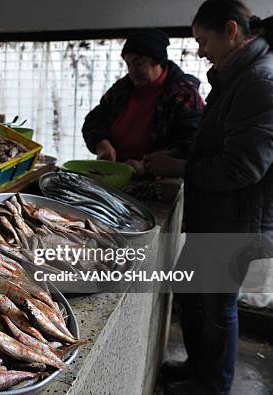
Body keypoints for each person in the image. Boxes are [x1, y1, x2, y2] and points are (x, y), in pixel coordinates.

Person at [151, 1, 273, 394]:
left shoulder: (259, 81)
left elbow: (243, 167)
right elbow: (219, 141)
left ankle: (213, 385)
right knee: (190, 291)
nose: (200, 50)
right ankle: (198, 369)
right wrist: (183, 156)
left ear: (231, 30)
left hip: (238, 220)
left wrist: (181, 169)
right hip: (218, 214)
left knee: (218, 306)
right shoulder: (235, 74)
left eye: (204, 40)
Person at [82, 28, 204, 175]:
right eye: (128, 64)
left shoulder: (184, 94)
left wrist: (144, 166)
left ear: (158, 61)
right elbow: (94, 121)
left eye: (138, 63)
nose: (132, 71)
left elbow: (191, 142)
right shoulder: (122, 89)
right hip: (114, 172)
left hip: (157, 178)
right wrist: (102, 144)